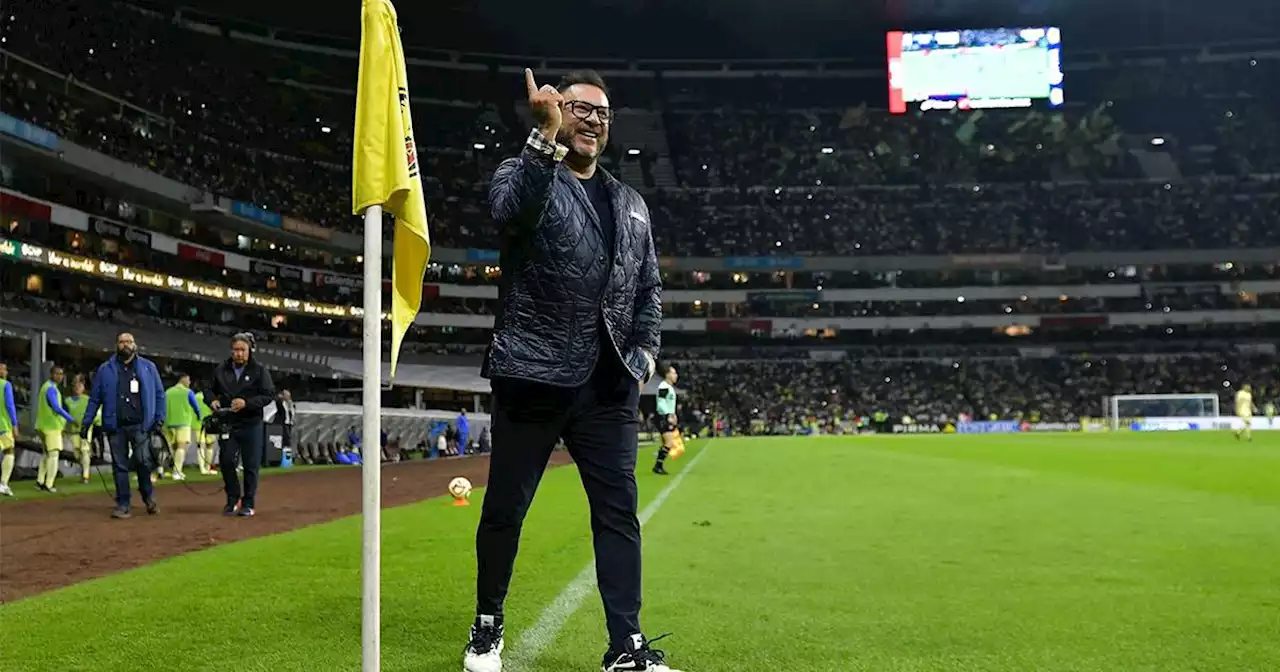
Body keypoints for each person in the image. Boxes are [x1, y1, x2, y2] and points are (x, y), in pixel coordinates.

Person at [464, 69, 674, 672]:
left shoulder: (631, 202)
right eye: (582, 109)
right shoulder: (523, 170)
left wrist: (644, 355)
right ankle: (487, 626)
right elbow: (511, 212)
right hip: (533, 373)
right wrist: (543, 139)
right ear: (557, 110)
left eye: (604, 114)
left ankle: (626, 646)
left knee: (617, 514)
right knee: (507, 507)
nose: (594, 121)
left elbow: (648, 287)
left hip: (608, 384)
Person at [82, 333, 166, 518]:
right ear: (116, 345)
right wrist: (86, 422)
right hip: (115, 425)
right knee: (120, 466)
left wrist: (159, 419)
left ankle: (147, 496)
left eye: (128, 341)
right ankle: (123, 504)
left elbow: (160, 394)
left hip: (141, 424)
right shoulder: (105, 369)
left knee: (144, 463)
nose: (125, 345)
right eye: (121, 342)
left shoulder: (148, 367)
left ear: (135, 345)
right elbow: (95, 399)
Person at [208, 332, 275, 517]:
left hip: (251, 423)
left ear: (250, 351)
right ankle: (232, 498)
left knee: (251, 465)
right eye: (236, 350)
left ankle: (248, 502)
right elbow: (209, 390)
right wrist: (212, 400)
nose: (239, 354)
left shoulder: (260, 371)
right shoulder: (221, 369)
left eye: (242, 350)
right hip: (228, 423)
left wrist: (247, 403)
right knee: (227, 461)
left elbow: (269, 395)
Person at [35, 365, 77, 493]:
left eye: (61, 374)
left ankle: (40, 481)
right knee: (54, 455)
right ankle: (49, 484)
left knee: (46, 454)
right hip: (51, 427)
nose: (59, 376)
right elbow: (56, 408)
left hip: (41, 425)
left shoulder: (45, 386)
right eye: (57, 373)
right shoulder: (51, 389)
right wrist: (71, 419)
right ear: (51, 374)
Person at [164, 373, 204, 481]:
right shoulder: (188, 392)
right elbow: (196, 406)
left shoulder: (167, 392)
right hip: (183, 422)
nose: (189, 382)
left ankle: (167, 470)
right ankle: (176, 472)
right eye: (189, 380)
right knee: (182, 447)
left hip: (168, 423)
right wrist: (200, 416)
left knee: (171, 448)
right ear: (183, 379)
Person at [65, 374, 100, 484]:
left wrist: (94, 422)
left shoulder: (88, 400)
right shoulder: (68, 401)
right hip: (73, 431)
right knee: (77, 453)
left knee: (84, 451)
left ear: (83, 388)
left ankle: (85, 475)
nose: (78, 388)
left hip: (85, 429)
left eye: (80, 386)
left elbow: (96, 413)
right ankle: (84, 469)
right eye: (76, 386)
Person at [652, 365, 684, 475]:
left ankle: (658, 464)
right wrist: (668, 415)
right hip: (663, 416)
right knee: (669, 442)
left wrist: (673, 414)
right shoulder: (664, 387)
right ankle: (658, 466)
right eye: (673, 373)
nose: (676, 375)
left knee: (668, 442)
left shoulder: (669, 387)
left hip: (667, 416)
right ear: (667, 375)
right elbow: (661, 403)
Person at [0, 362, 18, 497]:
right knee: (9, 451)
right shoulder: (6, 385)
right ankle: (3, 484)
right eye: (3, 369)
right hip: (3, 425)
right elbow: (10, 405)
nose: (5, 372)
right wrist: (14, 424)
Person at [193, 388, 217, 474]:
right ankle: (207, 467)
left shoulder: (195, 396)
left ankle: (202, 469)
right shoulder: (211, 397)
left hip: (197, 423)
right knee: (209, 446)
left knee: (200, 446)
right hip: (210, 422)